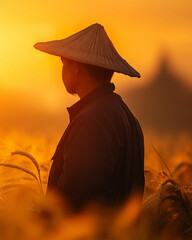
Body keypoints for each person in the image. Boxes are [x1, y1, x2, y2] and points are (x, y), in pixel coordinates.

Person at [34, 23, 145, 212]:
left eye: (64, 63)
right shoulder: (124, 116)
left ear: (76, 67)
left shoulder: (94, 120)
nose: (61, 71)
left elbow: (73, 201)